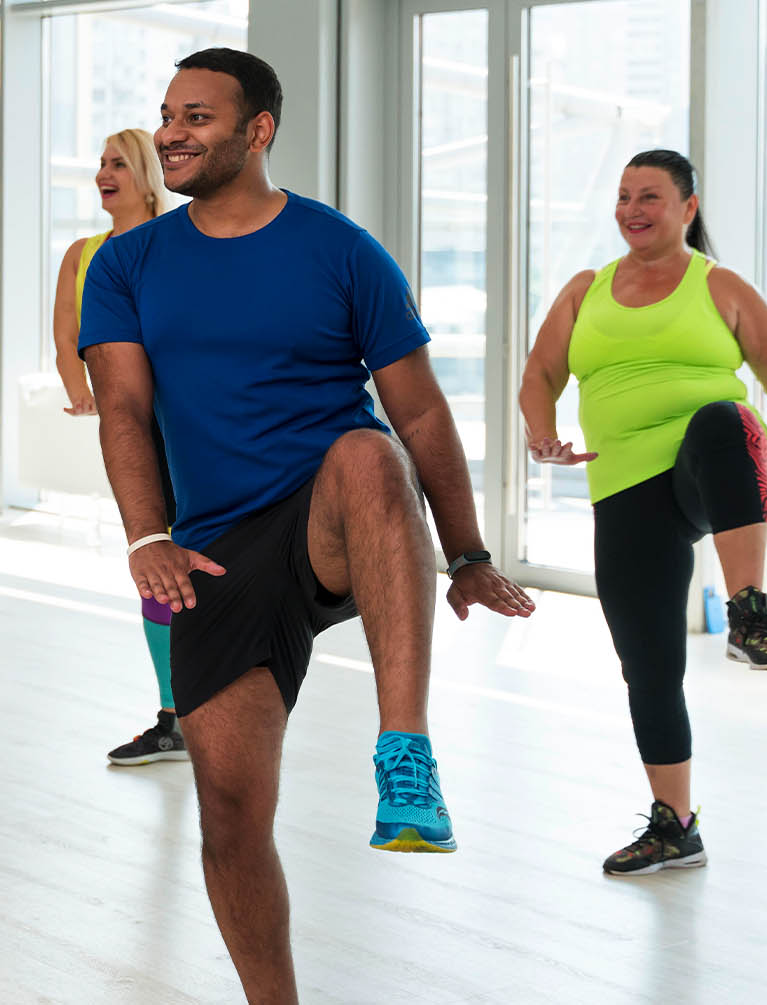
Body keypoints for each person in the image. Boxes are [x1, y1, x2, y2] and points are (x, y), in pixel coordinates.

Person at [78, 48, 534, 1003]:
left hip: (332, 511)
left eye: (198, 117)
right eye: (168, 114)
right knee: (230, 816)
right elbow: (123, 408)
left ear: (259, 130)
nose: (171, 133)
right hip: (215, 548)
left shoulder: (340, 250)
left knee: (369, 451)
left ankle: (404, 750)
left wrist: (469, 553)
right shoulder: (127, 263)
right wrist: (144, 536)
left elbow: (419, 415)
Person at [518, 149, 767, 877]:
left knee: (725, 419)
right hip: (623, 486)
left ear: (688, 208)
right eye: (625, 196)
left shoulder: (718, 284)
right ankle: (676, 825)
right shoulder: (587, 289)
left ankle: (748, 610)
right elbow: (540, 372)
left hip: (710, 465)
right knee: (648, 665)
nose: (634, 209)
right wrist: (542, 435)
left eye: (652, 197)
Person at [50, 127, 187, 765]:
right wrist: (89, 395)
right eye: (101, 164)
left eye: (119, 164)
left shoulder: (181, 241)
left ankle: (206, 712)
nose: (105, 174)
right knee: (156, 568)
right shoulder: (83, 253)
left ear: (146, 174)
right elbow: (66, 338)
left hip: (192, 428)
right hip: (136, 430)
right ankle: (175, 716)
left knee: (205, 564)